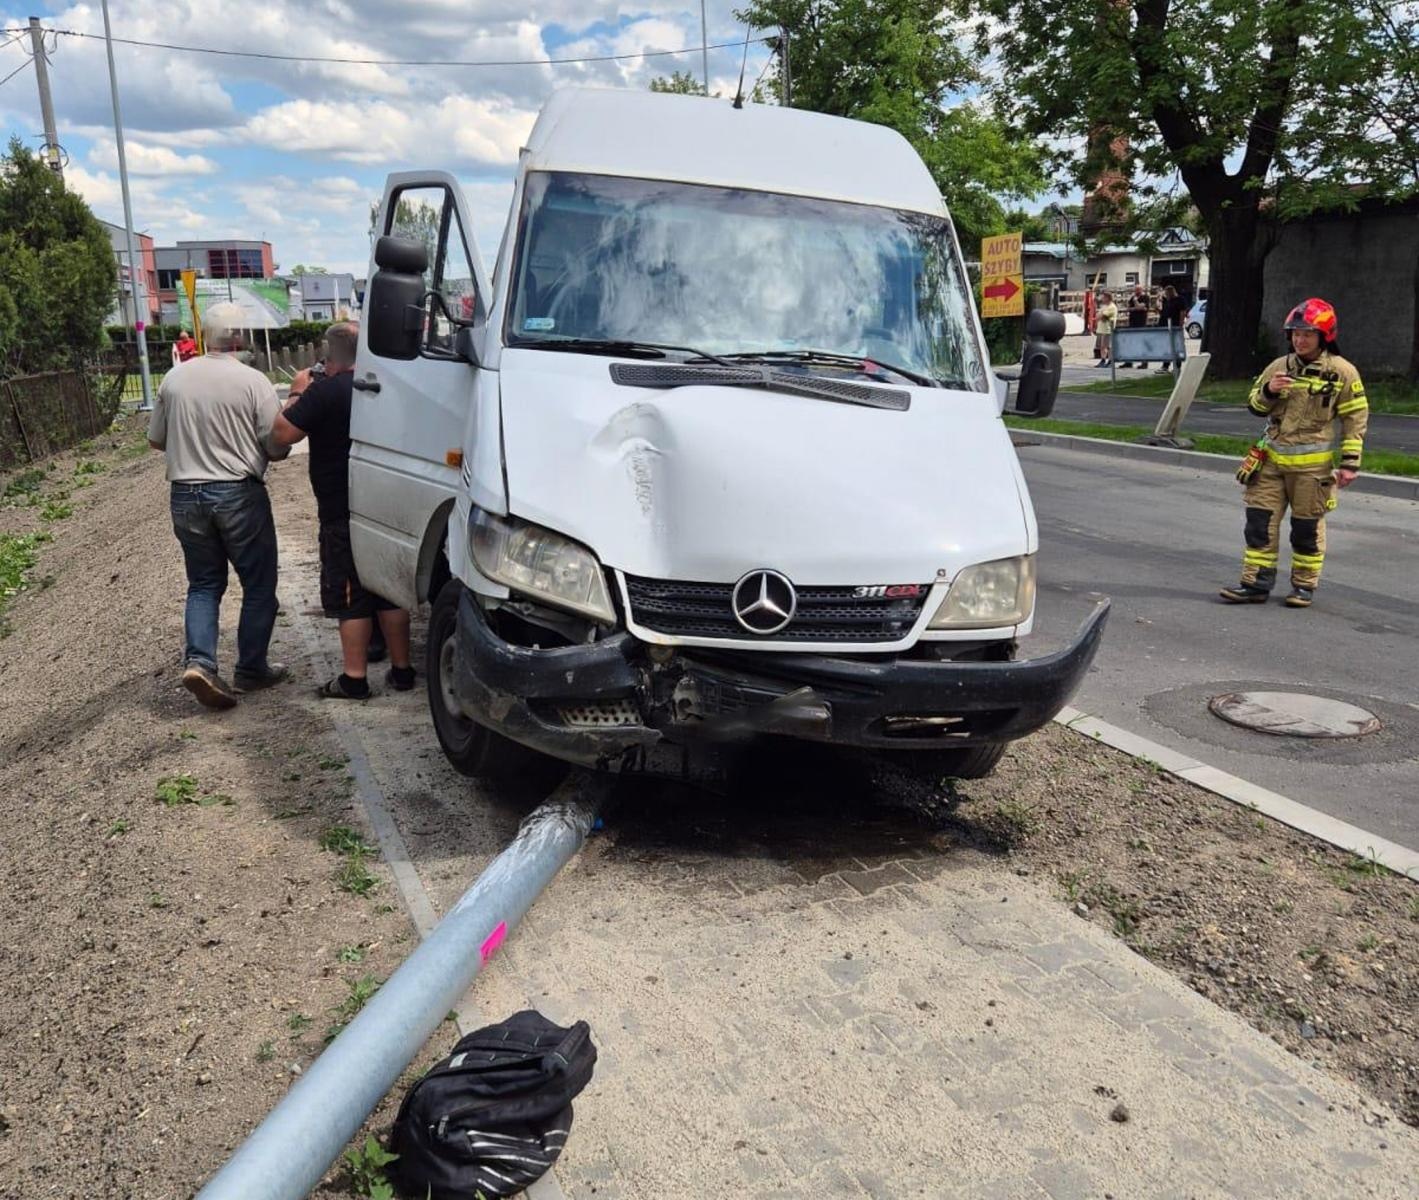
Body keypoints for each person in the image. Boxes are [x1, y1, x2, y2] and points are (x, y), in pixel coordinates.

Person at [148, 301, 290, 709]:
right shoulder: (253, 381)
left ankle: (201, 663)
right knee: (259, 584)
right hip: (238, 493)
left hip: (185, 494)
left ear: (205, 335)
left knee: (204, 584)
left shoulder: (174, 380)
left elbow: (156, 440)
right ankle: (251, 669)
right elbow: (275, 443)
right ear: (240, 337)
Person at [270, 322, 415, 698]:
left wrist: (298, 393)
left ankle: (354, 678)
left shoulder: (326, 391)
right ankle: (403, 671)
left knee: (351, 594)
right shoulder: (390, 388)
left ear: (333, 354)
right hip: (389, 503)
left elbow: (281, 435)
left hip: (341, 508)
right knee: (390, 590)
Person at [1219, 297, 1368, 609]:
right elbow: (1255, 408)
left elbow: (1355, 419)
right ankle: (1254, 584)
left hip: (1311, 472)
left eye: (1308, 334)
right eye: (1296, 334)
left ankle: (1303, 587)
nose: (1300, 340)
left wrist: (1350, 464)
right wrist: (1269, 390)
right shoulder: (1278, 366)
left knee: (1306, 530)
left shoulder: (1342, 372)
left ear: (1324, 336)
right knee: (1259, 525)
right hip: (1270, 464)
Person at [1116, 284, 1150, 367]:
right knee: (1130, 342)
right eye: (1135, 289)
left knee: (1141, 342)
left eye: (1138, 289)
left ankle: (1144, 362)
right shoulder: (1132, 298)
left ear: (1141, 290)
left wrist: (1136, 302)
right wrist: (1136, 307)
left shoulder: (1145, 298)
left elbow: (1140, 307)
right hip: (1132, 323)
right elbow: (1129, 308)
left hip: (1141, 323)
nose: (1136, 291)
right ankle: (1129, 362)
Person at [1157, 285, 1186, 374]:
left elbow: (1183, 312)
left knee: (1176, 346)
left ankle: (1177, 366)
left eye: (1167, 293)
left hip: (1175, 325)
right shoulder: (1168, 301)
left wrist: (1180, 324)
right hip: (1166, 325)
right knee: (1167, 346)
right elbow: (1162, 311)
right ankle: (1165, 365)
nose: (1166, 295)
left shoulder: (1180, 300)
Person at [1094, 291, 1117, 367]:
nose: (1102, 299)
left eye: (1103, 297)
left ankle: (1110, 361)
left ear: (1108, 298)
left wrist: (1101, 316)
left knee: (1108, 346)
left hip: (1108, 329)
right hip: (1102, 329)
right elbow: (1097, 316)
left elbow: (1102, 316)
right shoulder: (1104, 306)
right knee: (1102, 346)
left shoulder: (1112, 307)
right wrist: (1100, 316)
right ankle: (1103, 360)